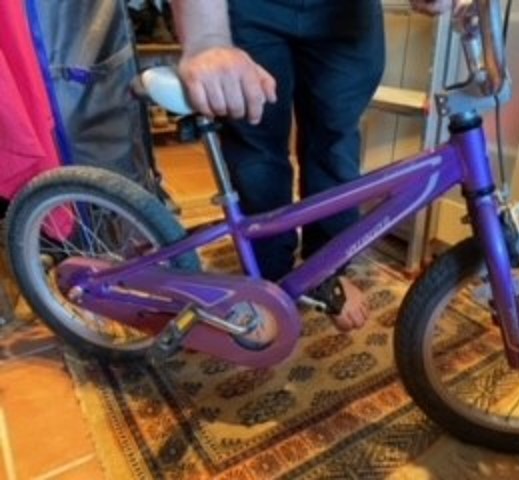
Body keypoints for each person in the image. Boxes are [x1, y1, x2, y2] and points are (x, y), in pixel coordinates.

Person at [171, 0, 452, 347]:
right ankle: (270, 279)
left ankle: (326, 271)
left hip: (346, 13)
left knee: (335, 142)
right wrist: (207, 39)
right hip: (248, 8)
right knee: (256, 144)